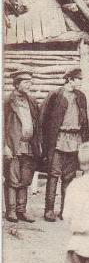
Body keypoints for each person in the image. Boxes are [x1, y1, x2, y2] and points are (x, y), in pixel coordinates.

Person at [41, 67, 89, 222]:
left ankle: (65, 210)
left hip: (75, 140)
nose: (81, 82)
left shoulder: (81, 96)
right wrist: (44, 142)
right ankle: (49, 210)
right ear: (70, 79)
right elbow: (43, 119)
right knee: (54, 175)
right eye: (79, 79)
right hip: (58, 140)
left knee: (69, 177)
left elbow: (85, 122)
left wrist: (85, 143)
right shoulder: (55, 95)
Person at [3, 69, 42, 223]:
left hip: (29, 146)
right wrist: (4, 146)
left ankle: (21, 211)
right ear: (17, 84)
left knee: (25, 179)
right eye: (26, 82)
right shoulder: (7, 101)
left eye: (30, 82)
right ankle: (11, 211)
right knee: (13, 179)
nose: (29, 85)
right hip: (13, 146)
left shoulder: (31, 101)